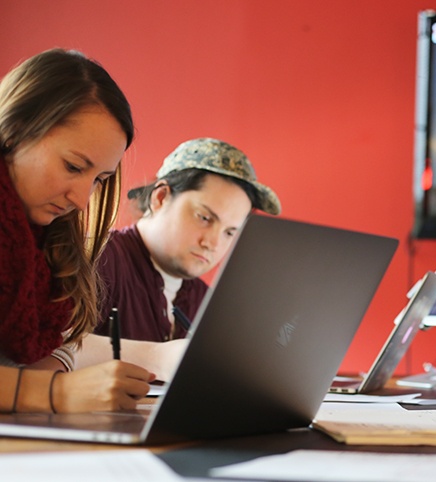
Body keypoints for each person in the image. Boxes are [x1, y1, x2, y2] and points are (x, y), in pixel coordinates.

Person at [0, 48, 155, 413]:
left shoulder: (45, 237)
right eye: (73, 166)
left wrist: (64, 373)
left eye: (99, 179)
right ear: (14, 132)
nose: (83, 200)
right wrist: (57, 392)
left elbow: (50, 347)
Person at [73, 138, 281, 379]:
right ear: (160, 197)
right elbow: (44, 349)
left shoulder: (206, 302)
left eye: (229, 232)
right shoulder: (95, 257)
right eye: (204, 218)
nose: (213, 243)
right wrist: (155, 358)